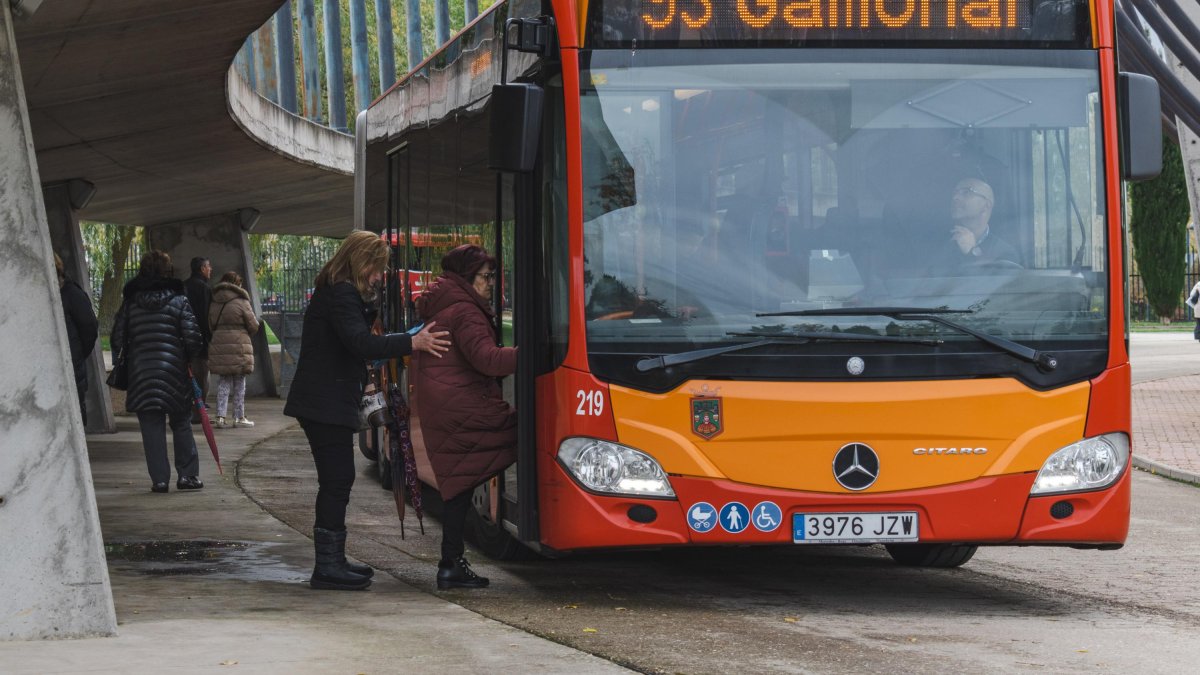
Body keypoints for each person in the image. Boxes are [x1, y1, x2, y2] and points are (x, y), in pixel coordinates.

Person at [284, 230, 450, 591]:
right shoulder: (341, 294)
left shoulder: (337, 292)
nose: (378, 276)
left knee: (337, 480)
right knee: (337, 481)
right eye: (377, 269)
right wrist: (413, 341)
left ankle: (334, 560)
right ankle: (327, 567)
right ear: (362, 262)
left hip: (324, 401)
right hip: (324, 403)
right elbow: (360, 342)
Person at [413, 244, 518, 590]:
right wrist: (535, 351)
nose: (491, 283)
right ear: (467, 277)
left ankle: (451, 563)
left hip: (447, 408)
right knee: (531, 436)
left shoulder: (447, 307)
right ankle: (450, 562)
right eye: (486, 277)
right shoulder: (465, 311)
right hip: (464, 408)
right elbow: (487, 359)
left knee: (459, 485)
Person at [111, 250, 204, 493]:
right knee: (181, 423)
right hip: (174, 373)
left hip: (142, 374)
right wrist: (183, 356)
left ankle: (160, 480)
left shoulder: (130, 303)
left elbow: (117, 339)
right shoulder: (179, 301)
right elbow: (194, 339)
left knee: (151, 427)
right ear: (167, 271)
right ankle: (187, 476)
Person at [931, 178, 1021, 272]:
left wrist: (972, 252)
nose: (955, 198)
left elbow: (991, 285)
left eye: (966, 192)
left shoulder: (1005, 253)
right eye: (955, 193)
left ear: (986, 205)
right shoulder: (938, 245)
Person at [209, 271, 259, 429]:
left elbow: (210, 324)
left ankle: (220, 417)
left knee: (223, 382)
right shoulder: (241, 301)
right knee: (239, 382)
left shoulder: (214, 300)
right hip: (239, 344)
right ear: (237, 284)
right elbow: (253, 325)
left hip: (219, 342)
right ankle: (238, 417)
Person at [54, 253, 99, 426]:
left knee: (74, 417)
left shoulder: (72, 293)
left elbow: (89, 328)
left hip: (71, 365)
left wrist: (77, 354)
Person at [183, 257, 213, 422]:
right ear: (202, 268)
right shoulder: (204, 288)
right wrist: (208, 337)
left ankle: (189, 406)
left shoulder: (184, 285)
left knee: (187, 375)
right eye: (208, 266)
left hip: (185, 337)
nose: (211, 269)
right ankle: (198, 411)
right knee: (201, 375)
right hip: (200, 339)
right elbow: (205, 315)